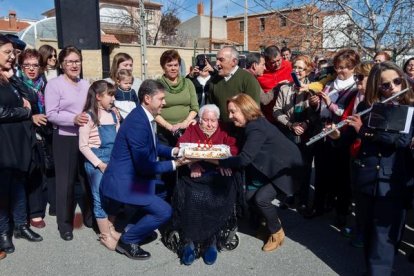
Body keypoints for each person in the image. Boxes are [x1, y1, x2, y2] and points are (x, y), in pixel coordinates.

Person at [329, 61, 414, 275]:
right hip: (365, 178)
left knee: (383, 239)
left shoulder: (409, 110)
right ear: (377, 88)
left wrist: (366, 131)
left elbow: (401, 141)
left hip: (392, 182)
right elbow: (350, 137)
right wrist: (337, 134)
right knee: (367, 233)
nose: (393, 87)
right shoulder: (365, 107)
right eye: (385, 85)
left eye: (397, 81)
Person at [100, 79, 191, 260]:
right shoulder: (138, 122)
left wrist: (175, 151)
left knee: (157, 194)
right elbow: (145, 166)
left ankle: (124, 230)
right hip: (126, 182)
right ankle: (128, 240)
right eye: (161, 99)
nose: (164, 103)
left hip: (135, 178)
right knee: (164, 211)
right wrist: (177, 164)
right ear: (147, 99)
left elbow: (153, 145)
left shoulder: (143, 116)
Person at [209, 94, 303, 252]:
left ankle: (277, 232)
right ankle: (267, 222)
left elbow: (244, 159)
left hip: (287, 169)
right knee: (248, 197)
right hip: (275, 165)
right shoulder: (251, 122)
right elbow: (230, 127)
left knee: (261, 199)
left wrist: (217, 161)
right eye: (229, 112)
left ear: (245, 110)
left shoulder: (256, 127)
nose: (230, 116)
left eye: (233, 112)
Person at [173, 104, 239, 265]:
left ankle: (211, 240)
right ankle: (189, 240)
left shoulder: (224, 130)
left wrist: (224, 163)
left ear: (218, 121)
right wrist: (192, 164)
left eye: (213, 121)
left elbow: (234, 151)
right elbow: (179, 147)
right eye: (206, 120)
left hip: (217, 174)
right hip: (194, 175)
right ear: (199, 120)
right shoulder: (192, 130)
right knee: (193, 197)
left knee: (216, 196)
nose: (209, 124)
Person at [307, 49, 360, 228]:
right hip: (323, 131)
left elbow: (347, 113)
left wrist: (329, 104)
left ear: (354, 68)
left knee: (341, 175)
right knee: (321, 171)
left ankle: (341, 211)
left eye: (345, 68)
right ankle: (319, 205)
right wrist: (315, 104)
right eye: (338, 67)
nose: (340, 71)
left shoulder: (355, 88)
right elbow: (320, 108)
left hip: (342, 135)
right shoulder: (329, 84)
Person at [45, 46, 93, 241]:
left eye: (77, 61)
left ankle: (89, 217)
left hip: (85, 137)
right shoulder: (54, 85)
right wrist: (73, 119)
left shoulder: (86, 83)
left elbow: (91, 107)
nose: (75, 65)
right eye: (70, 62)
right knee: (65, 182)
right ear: (62, 65)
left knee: (86, 177)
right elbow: (51, 114)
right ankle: (65, 224)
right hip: (64, 137)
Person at [0, 34, 43, 254]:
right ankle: (3, 233)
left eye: (13, 53)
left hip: (19, 142)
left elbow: (32, 98)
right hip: (4, 143)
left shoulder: (11, 78)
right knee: (3, 190)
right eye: (7, 52)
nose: (11, 57)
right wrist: (24, 111)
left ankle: (21, 226)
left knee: (18, 185)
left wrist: (12, 77)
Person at [273, 55, 320, 210]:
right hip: (289, 131)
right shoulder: (285, 88)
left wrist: (306, 124)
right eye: (296, 67)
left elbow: (316, 113)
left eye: (301, 68)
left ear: (307, 71)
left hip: (307, 133)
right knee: (289, 165)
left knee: (304, 166)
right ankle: (289, 194)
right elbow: (277, 110)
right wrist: (290, 124)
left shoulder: (313, 89)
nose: (298, 71)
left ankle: (304, 198)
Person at [79, 80, 120, 250]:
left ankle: (111, 227)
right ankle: (105, 235)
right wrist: (99, 164)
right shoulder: (88, 116)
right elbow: (83, 145)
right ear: (98, 97)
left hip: (113, 160)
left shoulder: (113, 114)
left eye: (113, 95)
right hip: (97, 162)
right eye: (110, 95)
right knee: (99, 197)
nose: (113, 98)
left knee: (113, 196)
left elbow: (118, 138)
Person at [18, 48, 55, 228]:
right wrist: (30, 117)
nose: (31, 69)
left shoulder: (44, 84)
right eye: (27, 65)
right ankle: (23, 212)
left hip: (43, 134)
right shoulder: (16, 84)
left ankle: (36, 212)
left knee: (40, 173)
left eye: (35, 65)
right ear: (21, 67)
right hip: (22, 135)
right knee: (25, 174)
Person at [156, 50, 199, 199]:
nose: (173, 68)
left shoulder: (188, 83)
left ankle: (184, 200)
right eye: (170, 65)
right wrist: (170, 126)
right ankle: (166, 202)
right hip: (165, 135)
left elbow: (195, 108)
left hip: (186, 133)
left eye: (176, 64)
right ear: (163, 67)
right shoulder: (158, 85)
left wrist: (184, 123)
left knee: (186, 166)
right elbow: (154, 112)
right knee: (167, 169)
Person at [208, 46, 261, 123]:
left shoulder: (248, 80)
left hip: (243, 131)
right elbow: (212, 108)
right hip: (222, 131)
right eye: (217, 60)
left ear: (234, 62)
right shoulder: (214, 81)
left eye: (221, 60)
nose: (217, 63)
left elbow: (254, 112)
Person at [257, 45, 293, 123]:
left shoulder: (290, 66)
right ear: (266, 61)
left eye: (278, 60)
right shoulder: (260, 73)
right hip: (269, 117)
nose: (277, 64)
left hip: (287, 116)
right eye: (273, 62)